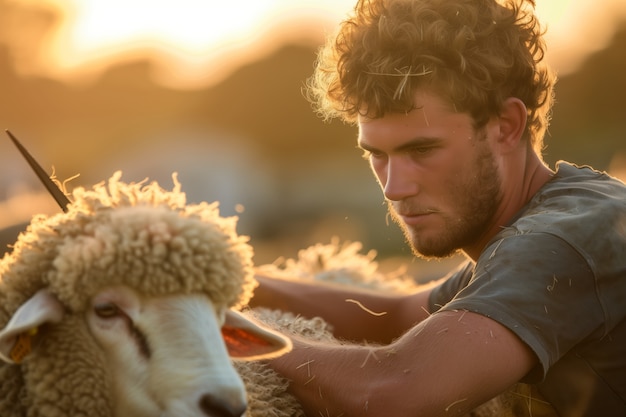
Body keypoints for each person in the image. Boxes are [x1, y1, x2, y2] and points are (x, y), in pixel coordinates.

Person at [250, 0, 626, 416]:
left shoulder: (564, 239)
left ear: (507, 126)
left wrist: (221, 332)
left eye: (423, 149)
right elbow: (394, 316)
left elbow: (392, 393)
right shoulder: (539, 230)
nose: (394, 187)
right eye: (378, 154)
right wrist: (231, 280)